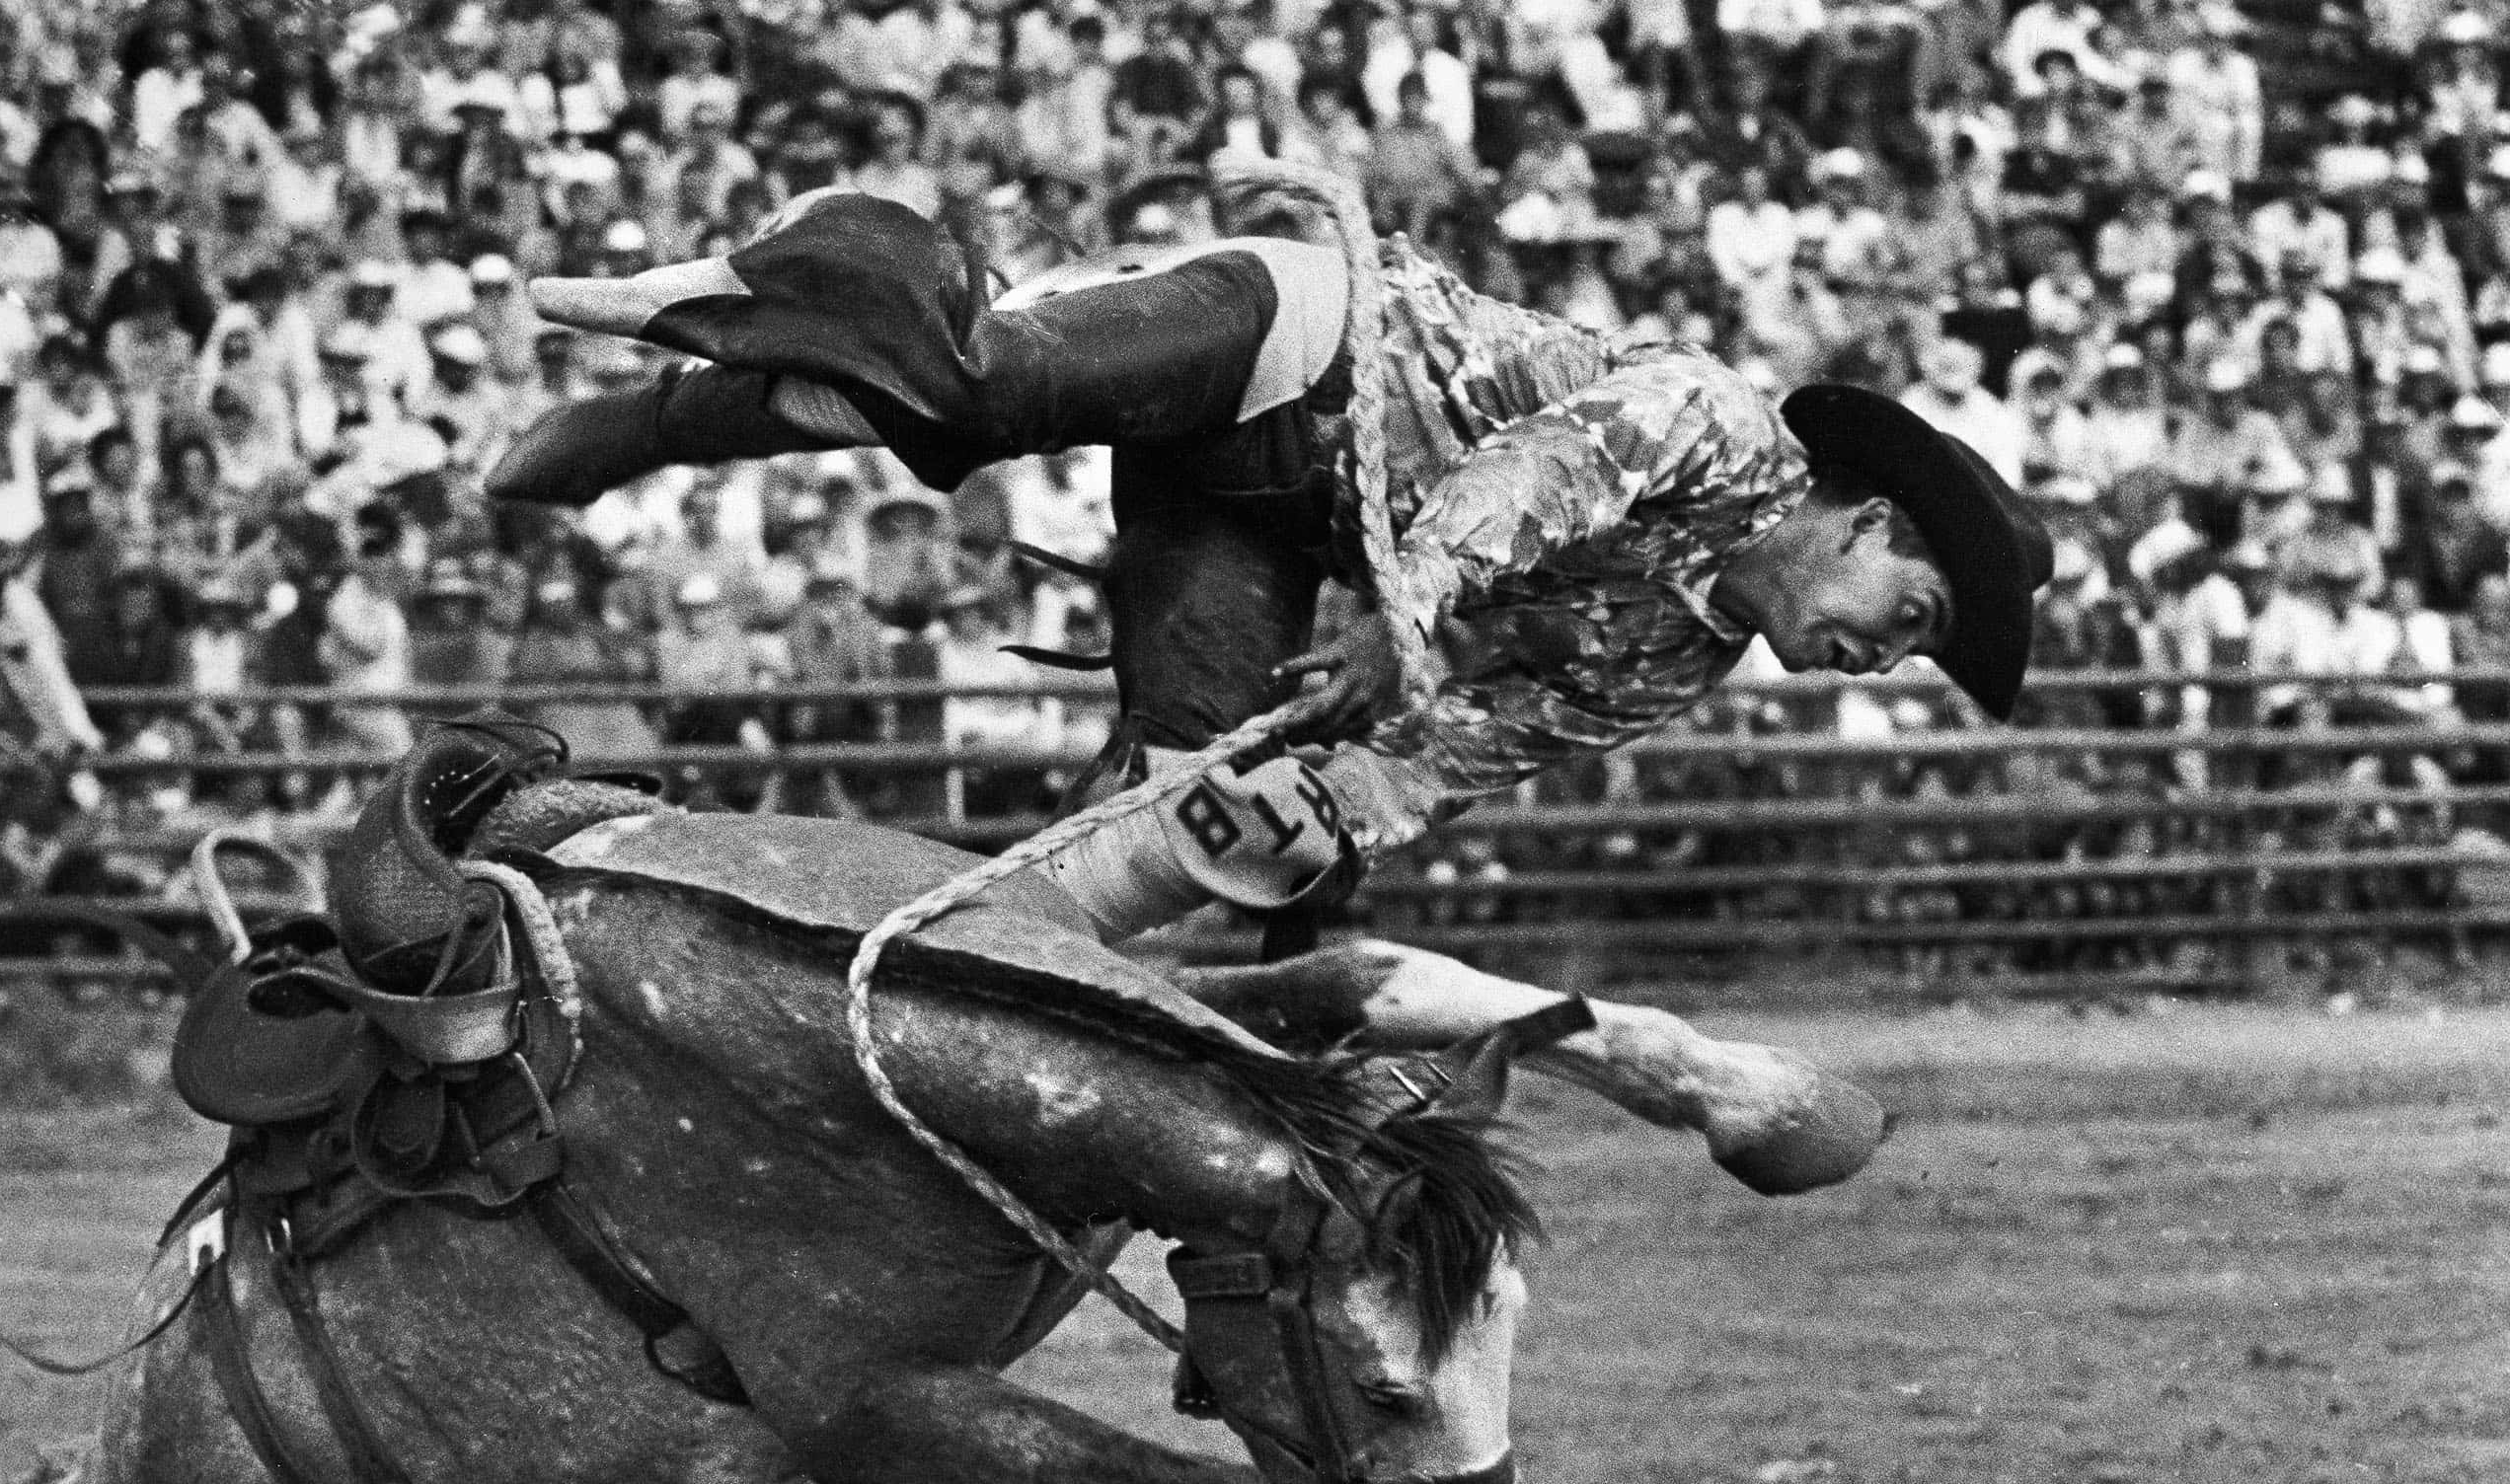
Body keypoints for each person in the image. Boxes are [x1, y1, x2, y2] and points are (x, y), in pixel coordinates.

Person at [491, 186, 2053, 947]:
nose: (1886, 657)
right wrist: (1404, 617)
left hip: (1257, 528)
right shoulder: (1712, 421)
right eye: (1908, 618)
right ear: (1867, 524)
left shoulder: (1671, 663)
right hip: (1290, 349)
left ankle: (934, 988)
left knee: (1172, 820)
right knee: (981, 384)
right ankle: (667, 407)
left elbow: (1450, 758)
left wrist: (1326, 810)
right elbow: (1533, 477)